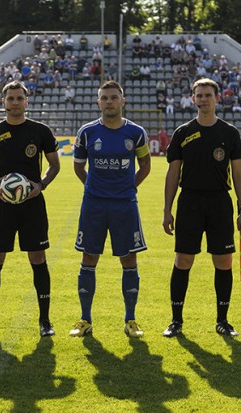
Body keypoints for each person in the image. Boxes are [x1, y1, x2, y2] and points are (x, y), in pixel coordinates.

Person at [162, 78, 241, 338]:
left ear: (217, 98)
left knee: (223, 262)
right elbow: (172, 174)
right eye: (198, 95)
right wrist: (167, 210)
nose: (203, 99)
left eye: (208, 95)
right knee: (183, 260)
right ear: (192, 99)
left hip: (220, 202)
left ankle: (222, 321)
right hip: (189, 202)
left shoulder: (229, 133)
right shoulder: (183, 133)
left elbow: (239, 173)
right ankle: (176, 321)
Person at [0, 81, 60, 337]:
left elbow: (54, 165)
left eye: (19, 98)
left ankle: (45, 321)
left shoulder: (40, 131)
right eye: (10, 98)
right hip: (1, 204)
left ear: (27, 100)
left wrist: (40, 185)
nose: (14, 102)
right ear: (3, 102)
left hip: (32, 204)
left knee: (38, 258)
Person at [69, 81, 151, 339]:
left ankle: (130, 320)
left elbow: (146, 166)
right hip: (94, 205)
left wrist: (128, 188)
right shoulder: (87, 132)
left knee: (129, 259)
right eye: (104, 98)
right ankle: (85, 320)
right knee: (89, 258)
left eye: (113, 97)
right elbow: (78, 167)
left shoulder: (136, 133)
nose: (109, 102)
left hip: (125, 205)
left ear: (122, 101)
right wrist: (96, 188)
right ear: (98, 102)